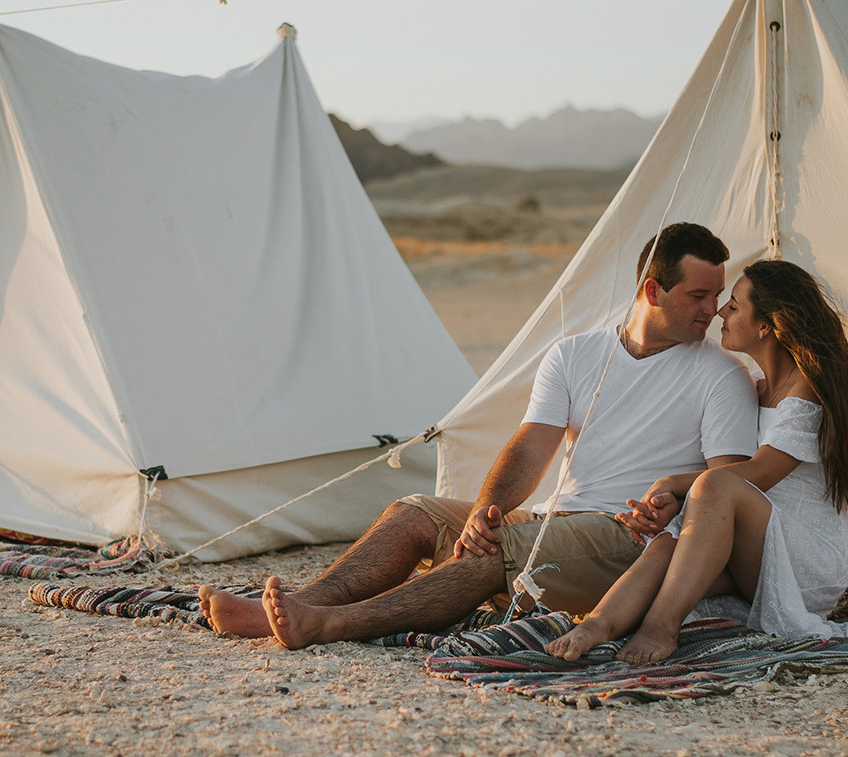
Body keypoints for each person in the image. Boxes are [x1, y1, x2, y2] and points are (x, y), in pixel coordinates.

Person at [198, 222, 759, 649]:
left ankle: (331, 623)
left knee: (496, 557)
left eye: (717, 298)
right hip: (557, 521)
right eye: (699, 296)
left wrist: (667, 503)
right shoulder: (575, 354)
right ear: (654, 290)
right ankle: (296, 604)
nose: (712, 311)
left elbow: (726, 487)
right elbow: (531, 446)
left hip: (633, 539)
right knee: (415, 512)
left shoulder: (721, 375)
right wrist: (484, 513)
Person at [546, 258, 848, 666]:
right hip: (758, 542)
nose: (720, 313)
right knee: (669, 546)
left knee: (712, 485)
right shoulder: (756, 388)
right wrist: (677, 503)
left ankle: (661, 626)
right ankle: (597, 625)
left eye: (734, 305)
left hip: (806, 556)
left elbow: (759, 473)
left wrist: (675, 482)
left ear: (765, 326)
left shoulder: (807, 388)